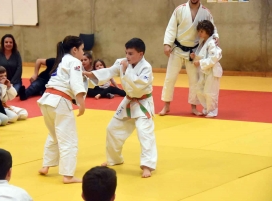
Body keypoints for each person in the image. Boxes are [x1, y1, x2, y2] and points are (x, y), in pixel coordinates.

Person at [84, 38, 157, 178]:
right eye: (126, 53)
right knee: (112, 129)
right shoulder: (122, 62)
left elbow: (138, 85)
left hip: (143, 103)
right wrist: (91, 74)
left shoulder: (146, 67)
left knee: (144, 133)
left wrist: (125, 70)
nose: (127, 56)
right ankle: (114, 159)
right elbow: (109, 72)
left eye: (131, 53)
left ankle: (147, 165)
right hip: (128, 101)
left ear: (140, 54)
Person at [37, 36, 87, 184]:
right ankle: (68, 176)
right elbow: (76, 83)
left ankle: (46, 165)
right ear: (75, 49)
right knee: (69, 140)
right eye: (82, 50)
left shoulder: (61, 60)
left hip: (46, 100)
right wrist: (81, 103)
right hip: (59, 102)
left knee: (54, 135)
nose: (83, 54)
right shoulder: (75, 61)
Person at [159, 0, 219, 116]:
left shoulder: (206, 12)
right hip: (177, 49)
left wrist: (215, 37)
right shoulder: (180, 9)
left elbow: (213, 28)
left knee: (194, 80)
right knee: (170, 78)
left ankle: (193, 106)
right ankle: (166, 106)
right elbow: (171, 28)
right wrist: (167, 44)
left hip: (193, 51)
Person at [190, 20, 223, 117]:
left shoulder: (212, 42)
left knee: (210, 91)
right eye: (199, 31)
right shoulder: (203, 42)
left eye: (202, 31)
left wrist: (200, 62)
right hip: (204, 70)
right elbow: (204, 56)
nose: (199, 33)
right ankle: (206, 108)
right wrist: (195, 56)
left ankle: (212, 110)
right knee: (200, 90)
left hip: (212, 71)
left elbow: (214, 57)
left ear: (208, 31)